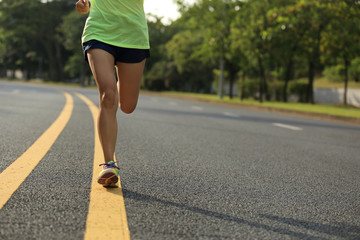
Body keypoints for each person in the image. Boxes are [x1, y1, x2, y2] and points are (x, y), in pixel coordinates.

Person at [76, 0, 150, 187]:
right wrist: (83, 5)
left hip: (133, 37)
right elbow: (84, 4)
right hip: (99, 32)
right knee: (108, 95)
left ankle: (117, 86)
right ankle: (109, 164)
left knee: (127, 106)